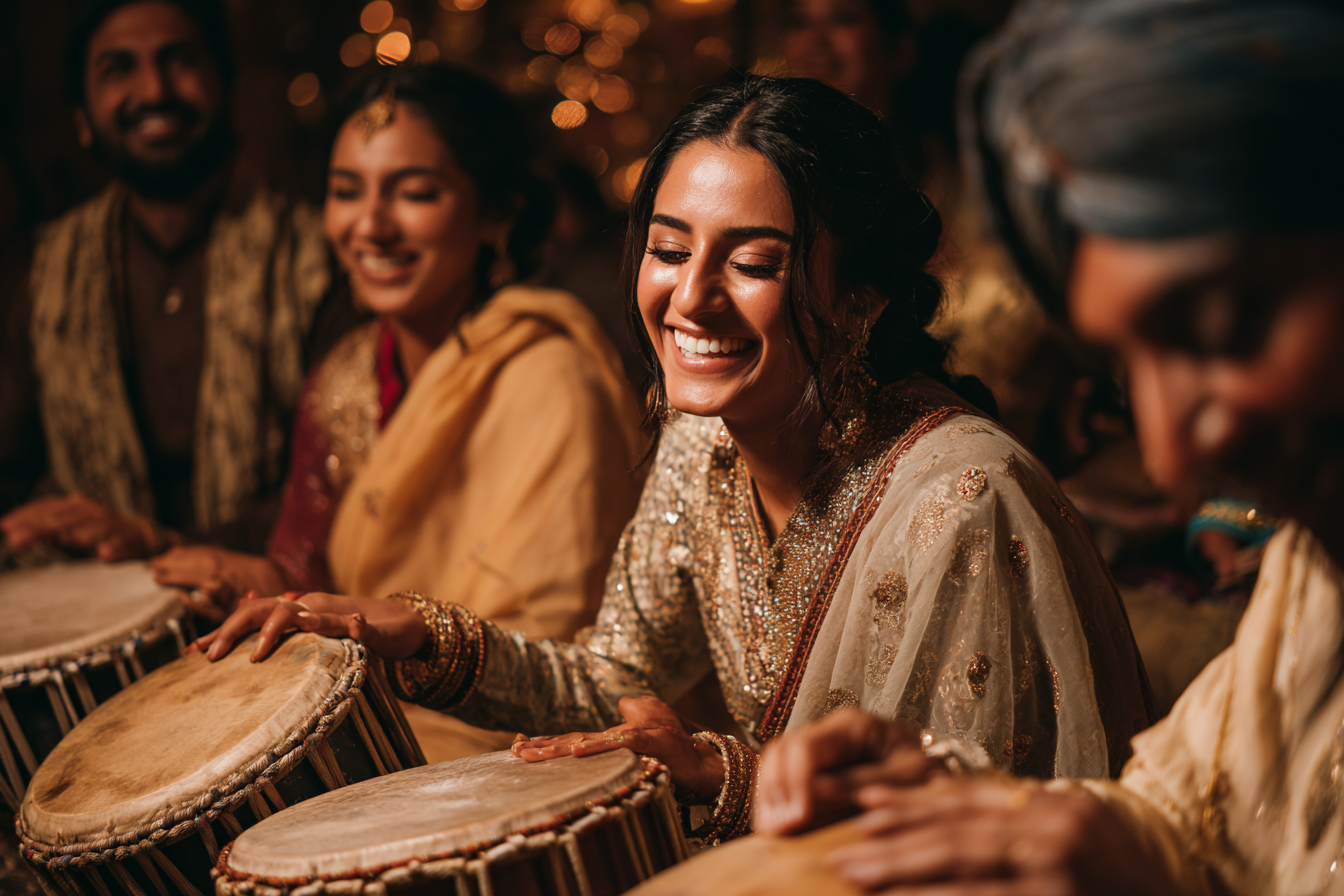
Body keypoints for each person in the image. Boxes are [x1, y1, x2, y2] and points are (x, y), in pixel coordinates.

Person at [197, 75, 1151, 844]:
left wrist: (721, 776)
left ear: (863, 301)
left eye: (754, 263)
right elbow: (616, 679)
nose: (690, 300)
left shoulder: (963, 503)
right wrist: (424, 635)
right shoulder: (703, 446)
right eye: (667, 249)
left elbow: (976, 837)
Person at [755, 2, 1344, 893]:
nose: (1173, 454)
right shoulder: (1318, 571)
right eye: (1121, 367)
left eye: (1223, 328)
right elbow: (1192, 819)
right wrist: (969, 799)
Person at [147, 65, 648, 761]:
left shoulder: (547, 373)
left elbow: (561, 642)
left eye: (416, 193)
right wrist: (226, 572)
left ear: (495, 215)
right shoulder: (346, 375)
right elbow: (308, 571)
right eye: (346, 192)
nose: (371, 227)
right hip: (364, 708)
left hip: (517, 742)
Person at [0, 0, 350, 561]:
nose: (155, 90)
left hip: (282, 609)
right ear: (82, 118)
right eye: (119, 69)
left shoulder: (315, 257)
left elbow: (345, 484)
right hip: (102, 613)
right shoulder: (49, 272)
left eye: (179, 60)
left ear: (228, 88)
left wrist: (167, 547)